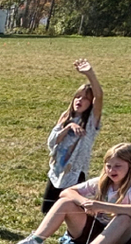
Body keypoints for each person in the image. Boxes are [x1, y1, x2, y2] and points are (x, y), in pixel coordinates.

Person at [5, 143, 131, 244]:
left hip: (121, 237)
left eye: (118, 166)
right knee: (65, 202)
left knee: (124, 217)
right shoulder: (101, 182)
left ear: (130, 165)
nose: (111, 170)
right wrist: (84, 202)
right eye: (108, 166)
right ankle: (36, 242)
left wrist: (103, 206)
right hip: (96, 230)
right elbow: (66, 192)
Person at [43, 59, 104, 214]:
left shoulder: (91, 122)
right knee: (47, 211)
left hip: (75, 174)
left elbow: (99, 96)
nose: (80, 100)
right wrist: (68, 127)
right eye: (78, 96)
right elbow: (52, 142)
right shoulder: (66, 116)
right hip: (57, 171)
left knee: (70, 213)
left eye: (85, 98)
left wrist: (90, 74)